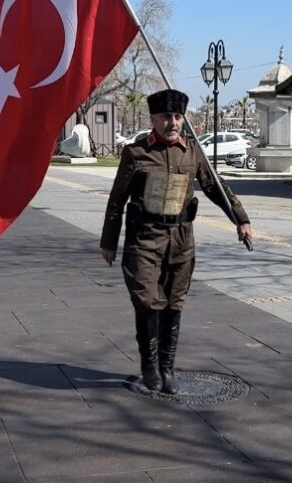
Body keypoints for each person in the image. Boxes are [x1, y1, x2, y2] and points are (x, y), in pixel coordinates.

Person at [100, 88, 253, 394]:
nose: (173, 122)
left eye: (178, 116)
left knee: (173, 303)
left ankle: (167, 368)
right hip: (144, 241)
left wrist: (241, 219)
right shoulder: (136, 152)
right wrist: (109, 240)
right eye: (167, 117)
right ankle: (149, 364)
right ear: (154, 119)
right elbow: (117, 201)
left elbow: (216, 188)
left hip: (181, 241)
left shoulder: (193, 152)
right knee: (147, 302)